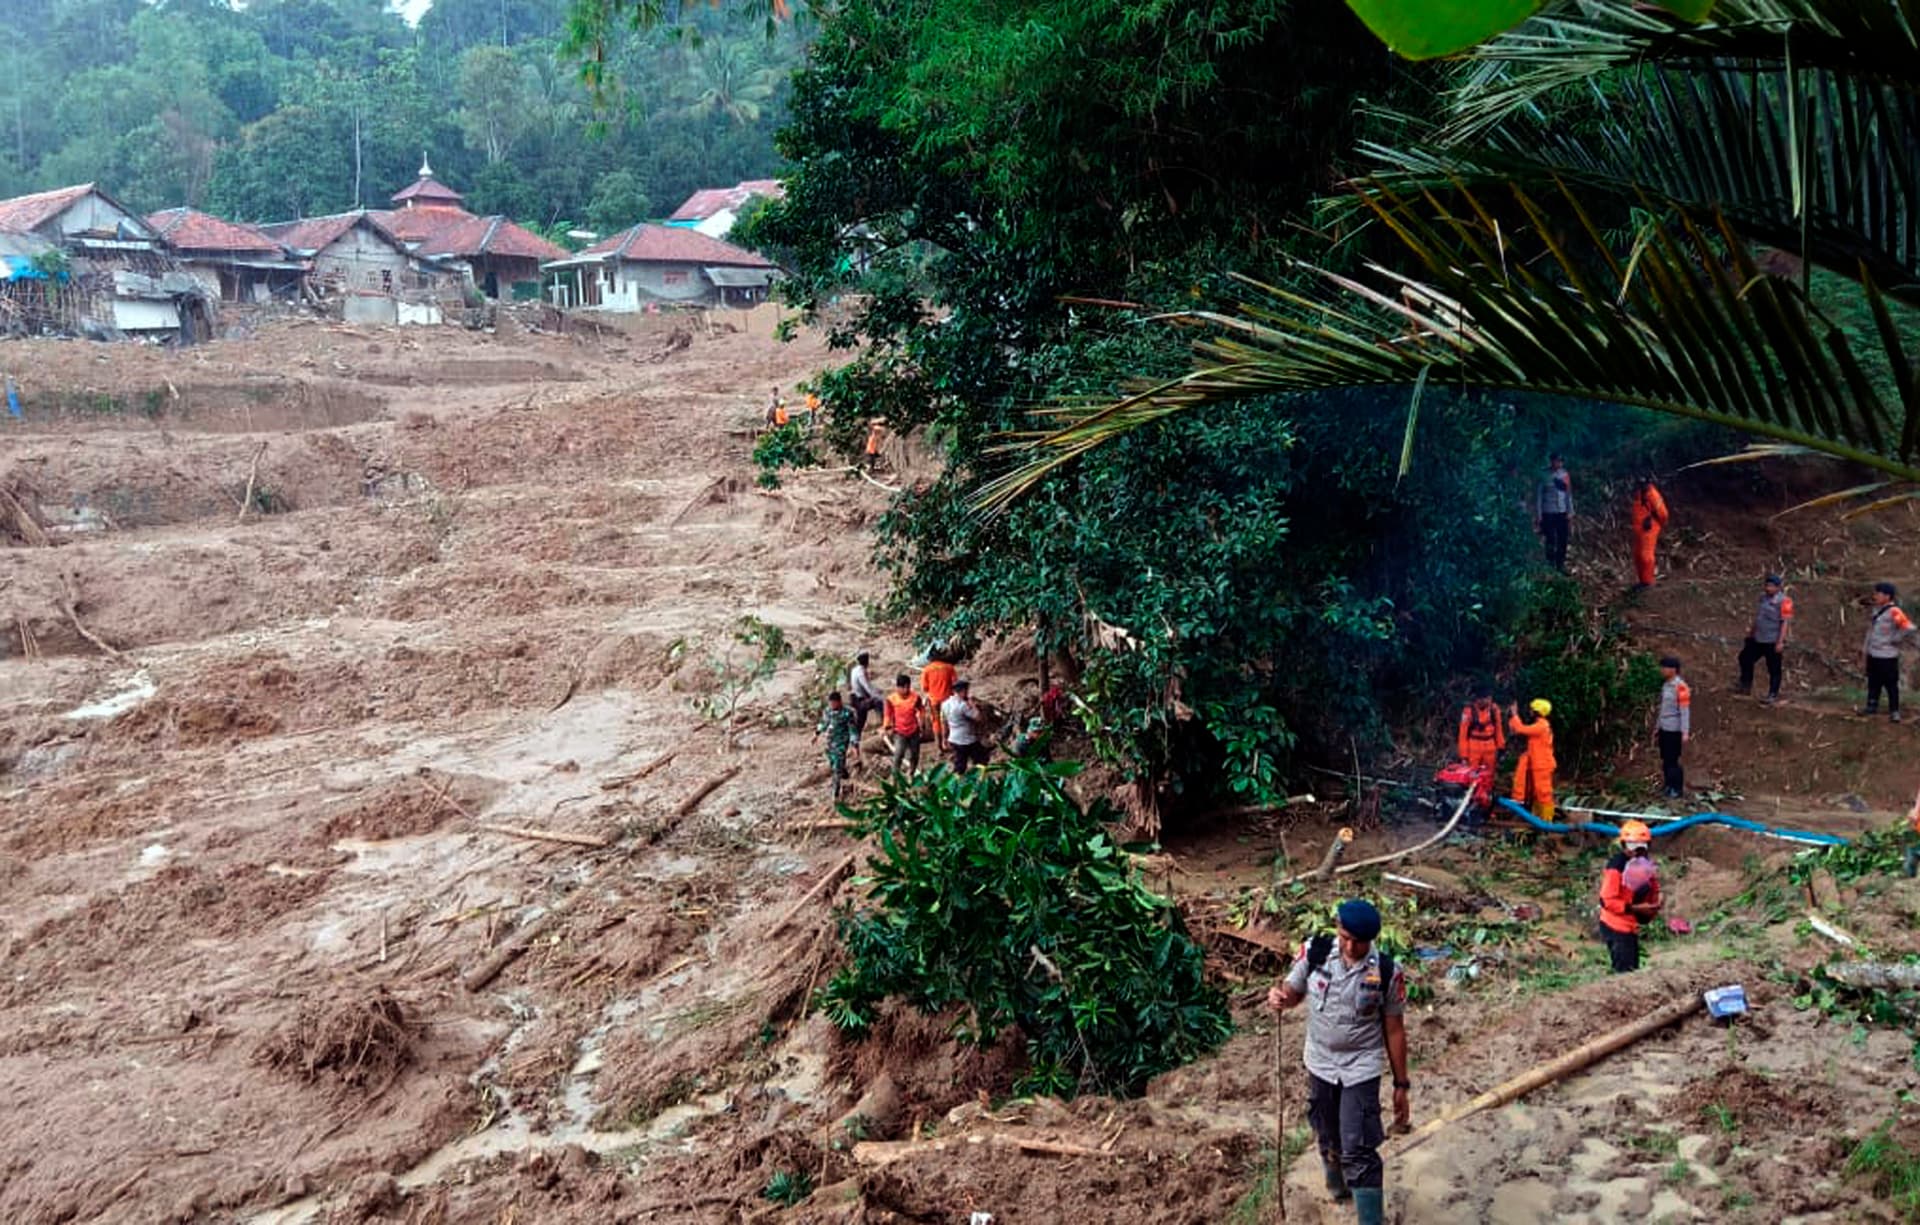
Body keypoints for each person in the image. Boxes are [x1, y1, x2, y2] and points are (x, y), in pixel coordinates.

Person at [1267, 898, 1410, 1225]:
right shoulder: (1315, 952)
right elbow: (1294, 991)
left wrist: (1402, 1085)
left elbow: (1395, 1030)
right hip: (1319, 1062)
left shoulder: (1387, 972)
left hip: (1361, 1066)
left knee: (1358, 1146)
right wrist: (1281, 998)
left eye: (1357, 941)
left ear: (1370, 939)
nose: (1349, 945)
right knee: (1326, 1131)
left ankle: (1370, 1219)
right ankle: (1337, 1188)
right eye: (1344, 936)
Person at [1597, 821, 1662, 973]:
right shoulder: (1616, 867)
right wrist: (1634, 908)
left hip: (1630, 924)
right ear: (1624, 846)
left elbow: (1652, 884)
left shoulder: (1642, 863)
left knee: (1632, 967)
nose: (1637, 851)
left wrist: (1656, 899)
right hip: (1616, 925)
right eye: (1632, 847)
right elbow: (1607, 900)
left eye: (1642, 847)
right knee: (1624, 971)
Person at [1862, 581, 1915, 723]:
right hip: (1874, 653)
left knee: (1891, 684)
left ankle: (1894, 711)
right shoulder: (1876, 610)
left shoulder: (1894, 611)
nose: (1875, 596)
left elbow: (1908, 627)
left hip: (1887, 655)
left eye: (1878, 594)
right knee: (1873, 682)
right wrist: (1865, 649)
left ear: (1887, 596)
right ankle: (1871, 705)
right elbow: (1871, 631)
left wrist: (1895, 638)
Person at [1736, 574, 1793, 705]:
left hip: (1772, 640)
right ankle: (1745, 684)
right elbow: (1759, 617)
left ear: (1778, 587)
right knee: (1745, 658)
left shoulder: (1786, 602)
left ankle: (1773, 694)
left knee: (1774, 668)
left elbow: (1785, 623)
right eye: (1767, 585)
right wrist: (1751, 632)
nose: (1768, 588)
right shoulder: (1763, 598)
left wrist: (1780, 641)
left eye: (1771, 586)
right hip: (1758, 638)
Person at [1456, 687, 1504, 812]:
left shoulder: (1494, 709)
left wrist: (1501, 747)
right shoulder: (1468, 711)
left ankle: (1487, 805)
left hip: (1490, 745)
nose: (1489, 701)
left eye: (1490, 698)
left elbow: (1498, 728)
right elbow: (1463, 734)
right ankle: (1470, 804)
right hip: (1474, 746)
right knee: (1472, 776)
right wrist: (1464, 756)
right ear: (1479, 699)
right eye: (1486, 698)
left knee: (1489, 776)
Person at [1508, 698, 1557, 821]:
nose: (1530, 712)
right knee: (1537, 793)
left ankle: (1546, 821)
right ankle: (1536, 818)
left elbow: (1521, 729)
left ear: (1537, 712)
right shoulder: (1541, 725)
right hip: (1538, 764)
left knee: (1543, 793)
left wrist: (1514, 715)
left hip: (1542, 765)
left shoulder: (1541, 726)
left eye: (1532, 710)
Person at [1656, 656, 1691, 799]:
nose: (1662, 670)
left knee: (1673, 760)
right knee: (1665, 759)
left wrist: (1685, 731)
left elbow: (1684, 711)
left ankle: (1677, 788)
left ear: (1673, 670)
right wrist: (1657, 726)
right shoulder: (1666, 685)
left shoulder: (1681, 687)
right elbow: (1662, 709)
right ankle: (1668, 785)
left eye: (1664, 667)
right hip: (1664, 727)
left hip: (1674, 729)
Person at [814, 691, 859, 799]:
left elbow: (852, 730)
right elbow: (824, 723)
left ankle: (835, 793)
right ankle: (845, 775)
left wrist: (854, 745)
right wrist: (816, 734)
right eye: (830, 703)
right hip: (830, 744)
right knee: (833, 763)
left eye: (833, 703)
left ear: (839, 702)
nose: (832, 705)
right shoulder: (827, 711)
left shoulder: (847, 713)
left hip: (841, 744)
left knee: (836, 768)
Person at [942, 678, 991, 773]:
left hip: (953, 738)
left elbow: (944, 722)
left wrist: (945, 738)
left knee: (960, 763)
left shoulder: (945, 704)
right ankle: (981, 780)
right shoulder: (962, 706)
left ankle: (957, 782)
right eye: (966, 690)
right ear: (963, 691)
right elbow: (978, 718)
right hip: (966, 740)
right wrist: (973, 705)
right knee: (981, 759)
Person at [882, 673, 928, 774]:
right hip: (899, 731)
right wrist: (887, 727)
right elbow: (887, 714)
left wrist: (922, 722)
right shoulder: (891, 699)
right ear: (898, 687)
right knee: (899, 753)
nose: (906, 690)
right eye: (903, 688)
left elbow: (921, 709)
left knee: (915, 755)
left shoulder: (915, 697)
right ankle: (895, 776)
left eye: (908, 687)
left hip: (913, 730)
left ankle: (911, 773)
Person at [1628, 476, 1669, 589]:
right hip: (1640, 529)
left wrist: (1655, 523)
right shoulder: (1640, 493)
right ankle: (1642, 581)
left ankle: (1647, 582)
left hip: (1649, 528)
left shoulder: (1652, 495)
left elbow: (1663, 514)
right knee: (1638, 555)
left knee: (1646, 555)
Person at [1535, 454, 1573, 571]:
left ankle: (1560, 564)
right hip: (1548, 511)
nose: (1558, 463)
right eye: (1556, 461)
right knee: (1550, 538)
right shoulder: (1544, 475)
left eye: (1560, 461)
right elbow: (1539, 496)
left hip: (1561, 511)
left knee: (1563, 539)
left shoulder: (1564, 475)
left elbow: (1568, 494)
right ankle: (1550, 565)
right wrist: (1539, 514)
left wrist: (1570, 511)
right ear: (1551, 461)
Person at [920, 650, 958, 748]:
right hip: (948, 699)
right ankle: (947, 742)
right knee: (947, 720)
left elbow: (924, 687)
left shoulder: (927, 670)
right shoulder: (949, 668)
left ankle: (938, 745)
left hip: (934, 700)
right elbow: (955, 684)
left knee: (936, 721)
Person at [848, 651, 884, 736]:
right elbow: (867, 687)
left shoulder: (855, 670)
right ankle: (884, 724)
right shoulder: (861, 672)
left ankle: (856, 736)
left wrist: (877, 690)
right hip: (860, 700)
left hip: (854, 697)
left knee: (860, 721)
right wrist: (878, 696)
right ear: (867, 661)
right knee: (878, 702)